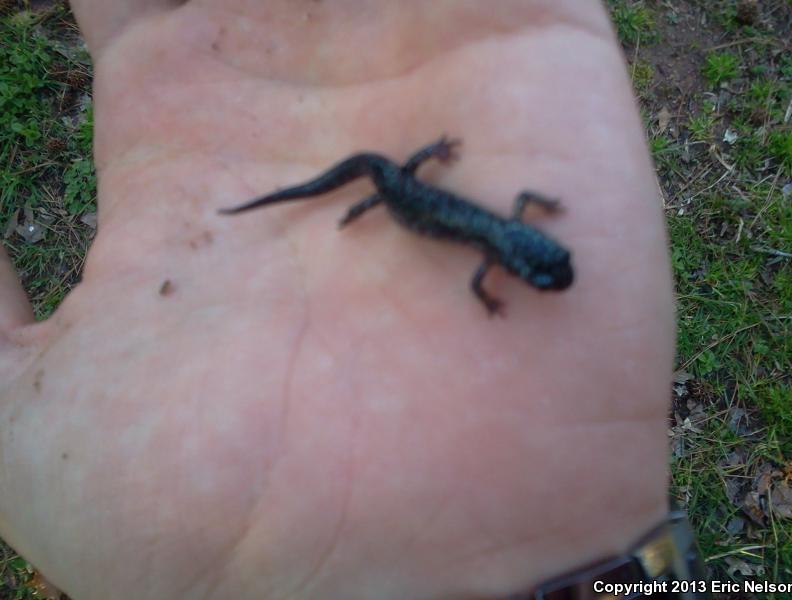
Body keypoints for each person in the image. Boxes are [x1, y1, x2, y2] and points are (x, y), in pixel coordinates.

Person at [0, 1, 675, 598]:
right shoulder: (502, 243)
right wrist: (478, 278)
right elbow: (481, 271)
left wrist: (443, 172)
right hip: (397, 188)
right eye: (544, 268)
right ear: (523, 255)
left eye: (545, 264)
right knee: (383, 190)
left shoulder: (510, 232)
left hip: (402, 185)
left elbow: (509, 226)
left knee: (388, 189)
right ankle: (358, 203)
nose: (544, 262)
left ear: (531, 247)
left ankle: (363, 201)